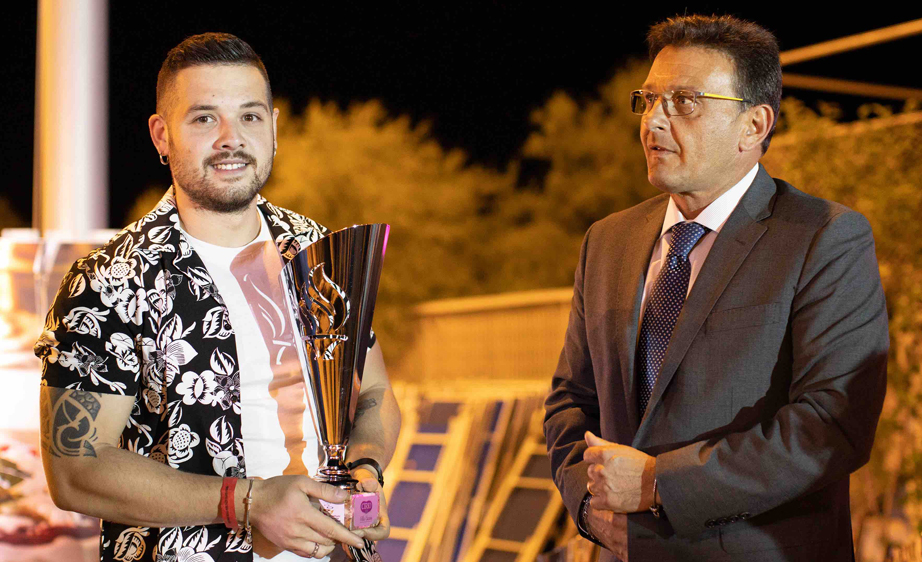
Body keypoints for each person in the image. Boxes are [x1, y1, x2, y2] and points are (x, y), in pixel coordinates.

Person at [34, 33, 400, 562]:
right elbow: (74, 471)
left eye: (249, 116)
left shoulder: (316, 251)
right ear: (162, 136)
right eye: (205, 118)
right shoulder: (110, 279)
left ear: (273, 128)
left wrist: (365, 468)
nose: (232, 139)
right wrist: (248, 503)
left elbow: (374, 392)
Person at [544, 14, 888, 562]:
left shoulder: (822, 238)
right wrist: (589, 509)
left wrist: (658, 483)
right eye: (648, 100)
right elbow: (571, 400)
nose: (654, 121)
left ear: (754, 125)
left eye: (684, 101)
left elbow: (831, 424)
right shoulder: (607, 242)